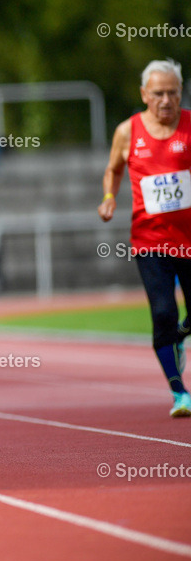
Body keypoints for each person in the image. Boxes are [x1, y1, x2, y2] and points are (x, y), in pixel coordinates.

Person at [98, 58, 191, 417]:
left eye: (173, 93)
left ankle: (180, 337)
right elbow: (113, 169)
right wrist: (108, 198)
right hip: (150, 243)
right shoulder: (128, 131)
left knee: (181, 322)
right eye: (158, 94)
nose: (166, 101)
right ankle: (179, 392)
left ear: (180, 92)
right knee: (163, 312)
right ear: (144, 94)